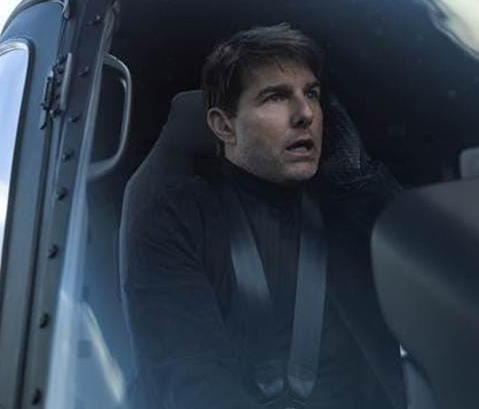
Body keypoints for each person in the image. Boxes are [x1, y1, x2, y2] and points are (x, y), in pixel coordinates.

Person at [122, 23, 405, 409]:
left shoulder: (346, 205)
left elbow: (444, 293)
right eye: (275, 97)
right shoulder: (176, 218)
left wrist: (362, 183)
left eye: (312, 94)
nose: (305, 114)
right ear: (224, 126)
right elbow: (193, 383)